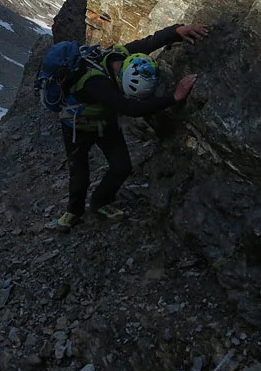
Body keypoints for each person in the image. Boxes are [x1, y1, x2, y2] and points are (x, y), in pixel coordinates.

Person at [55, 23, 209, 231]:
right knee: (80, 171)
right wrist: (174, 97)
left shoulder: (122, 56)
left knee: (122, 167)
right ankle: (74, 211)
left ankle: (100, 202)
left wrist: (176, 31)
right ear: (121, 81)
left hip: (104, 121)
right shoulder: (96, 84)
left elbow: (149, 42)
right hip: (77, 126)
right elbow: (131, 108)